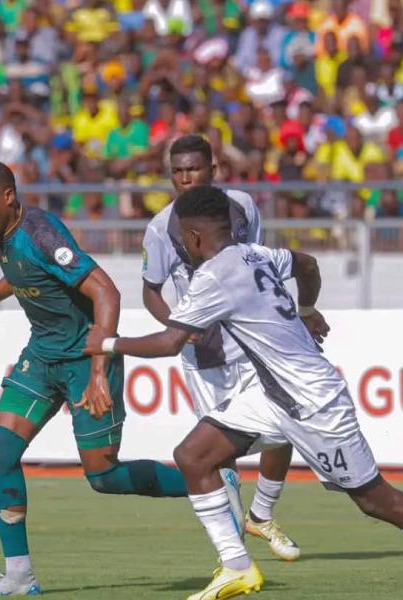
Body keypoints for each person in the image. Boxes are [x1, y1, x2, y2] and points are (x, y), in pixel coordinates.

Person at [89, 185, 403, 600]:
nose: (183, 247)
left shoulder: (213, 276)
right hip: (275, 397)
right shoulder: (257, 253)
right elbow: (307, 264)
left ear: (194, 235)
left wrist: (106, 343)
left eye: (183, 238)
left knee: (376, 500)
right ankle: (237, 567)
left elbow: (169, 344)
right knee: (193, 455)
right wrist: (306, 310)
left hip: (313, 402)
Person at [0, 160, 187, 597]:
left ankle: (207, 483)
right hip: (43, 356)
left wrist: (100, 369)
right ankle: (19, 576)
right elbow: (22, 274)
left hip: (86, 359)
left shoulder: (41, 234)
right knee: (0, 449)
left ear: (8, 198)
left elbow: (106, 291)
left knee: (103, 476)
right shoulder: (2, 231)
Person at [141, 134, 300, 560]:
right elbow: (151, 291)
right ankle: (235, 554)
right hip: (205, 358)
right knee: (219, 455)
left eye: (193, 169)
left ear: (214, 170)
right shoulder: (161, 227)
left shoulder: (243, 206)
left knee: (285, 426)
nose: (185, 178)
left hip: (255, 342)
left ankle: (262, 514)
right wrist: (176, 326)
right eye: (177, 171)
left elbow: (259, 263)